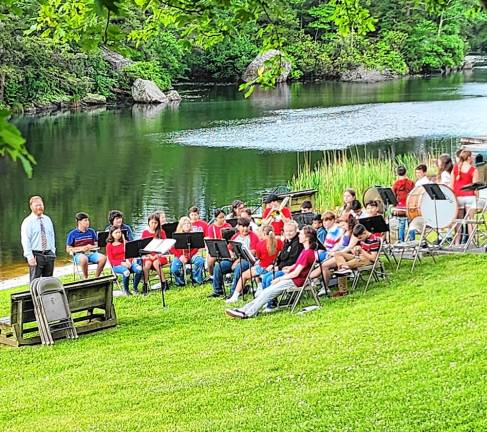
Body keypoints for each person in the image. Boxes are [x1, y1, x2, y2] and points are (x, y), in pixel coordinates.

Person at [224, 225, 317, 319]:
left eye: (301, 234)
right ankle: (243, 309)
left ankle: (248, 313)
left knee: (267, 293)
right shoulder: (305, 251)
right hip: (292, 278)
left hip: (295, 281)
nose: (299, 235)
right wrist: (290, 267)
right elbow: (298, 265)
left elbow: (296, 273)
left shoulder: (308, 253)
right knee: (265, 292)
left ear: (307, 237)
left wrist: (279, 279)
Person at [226, 225, 283, 303]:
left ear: (263, 233)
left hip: (263, 267)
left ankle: (235, 296)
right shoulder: (279, 242)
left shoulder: (260, 244)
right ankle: (259, 286)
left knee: (244, 275)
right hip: (274, 266)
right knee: (255, 267)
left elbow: (258, 257)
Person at [209, 218, 259, 298]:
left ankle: (234, 292)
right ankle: (217, 290)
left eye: (247, 226)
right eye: (243, 226)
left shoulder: (253, 236)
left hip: (247, 260)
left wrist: (238, 260)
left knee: (239, 268)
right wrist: (231, 253)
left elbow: (253, 252)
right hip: (234, 259)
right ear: (238, 227)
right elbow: (229, 247)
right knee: (219, 266)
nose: (245, 229)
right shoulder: (236, 236)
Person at [20, 195, 56, 282]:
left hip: (49, 254)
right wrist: (29, 257)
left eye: (41, 205)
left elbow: (52, 236)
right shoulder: (28, 222)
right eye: (37, 205)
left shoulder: (47, 219)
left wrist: (53, 251)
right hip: (36, 255)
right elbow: (25, 240)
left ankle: (46, 296)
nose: (39, 207)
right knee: (35, 281)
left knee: (48, 281)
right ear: (31, 207)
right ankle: (34, 296)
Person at [261, 220, 303, 290]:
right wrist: (274, 265)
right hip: (281, 267)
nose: (288, 233)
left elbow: (293, 261)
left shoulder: (298, 243)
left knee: (269, 280)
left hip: (289, 270)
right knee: (264, 278)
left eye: (291, 231)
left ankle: (271, 300)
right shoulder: (286, 241)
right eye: (286, 231)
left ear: (296, 230)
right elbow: (280, 256)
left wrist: (279, 267)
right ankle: (266, 299)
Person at [66, 212, 106, 279]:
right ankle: (86, 278)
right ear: (79, 222)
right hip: (78, 255)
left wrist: (91, 247)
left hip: (91, 253)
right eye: (85, 220)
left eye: (88, 220)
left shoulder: (91, 231)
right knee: (84, 259)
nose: (88, 222)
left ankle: (96, 277)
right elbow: (68, 249)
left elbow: (96, 244)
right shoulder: (72, 234)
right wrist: (82, 248)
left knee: (103, 258)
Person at [451, 150, 479, 243]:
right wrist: (477, 199)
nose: (473, 158)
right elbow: (476, 188)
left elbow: (451, 185)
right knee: (471, 220)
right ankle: (472, 242)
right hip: (470, 196)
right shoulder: (473, 169)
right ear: (469, 158)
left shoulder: (455, 168)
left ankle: (457, 242)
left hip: (458, 196)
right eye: (472, 156)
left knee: (458, 221)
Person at [105, 226, 142, 295]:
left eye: (119, 232)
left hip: (128, 262)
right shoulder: (109, 245)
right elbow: (111, 261)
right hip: (117, 265)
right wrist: (122, 263)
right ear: (111, 234)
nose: (118, 234)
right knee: (126, 272)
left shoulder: (125, 242)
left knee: (139, 269)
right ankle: (126, 290)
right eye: (116, 233)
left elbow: (130, 254)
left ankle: (135, 288)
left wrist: (129, 261)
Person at [170, 216, 205, 286]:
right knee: (174, 269)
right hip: (180, 256)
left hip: (191, 255)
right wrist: (180, 256)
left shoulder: (194, 234)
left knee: (200, 261)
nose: (186, 225)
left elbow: (196, 247)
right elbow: (171, 249)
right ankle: (180, 281)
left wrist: (189, 255)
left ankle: (196, 278)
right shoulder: (176, 235)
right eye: (184, 224)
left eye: (188, 223)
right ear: (181, 225)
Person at [141, 213, 168, 295]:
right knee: (147, 264)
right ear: (148, 222)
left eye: (155, 223)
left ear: (158, 223)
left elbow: (165, 246)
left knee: (156, 263)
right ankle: (145, 284)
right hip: (148, 255)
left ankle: (164, 282)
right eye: (152, 222)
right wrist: (149, 255)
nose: (153, 225)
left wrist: (157, 255)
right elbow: (143, 247)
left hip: (159, 255)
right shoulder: (145, 233)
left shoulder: (161, 232)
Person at [392, 166, 415, 242]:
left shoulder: (395, 184)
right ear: (406, 172)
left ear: (397, 173)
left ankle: (401, 241)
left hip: (400, 208)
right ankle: (412, 241)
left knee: (401, 225)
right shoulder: (411, 183)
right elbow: (414, 194)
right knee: (411, 225)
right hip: (409, 206)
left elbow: (393, 196)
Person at [206, 209, 232, 276]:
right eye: (220, 217)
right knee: (210, 260)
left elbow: (231, 239)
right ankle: (212, 275)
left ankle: (227, 274)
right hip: (216, 249)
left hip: (226, 248)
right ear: (216, 218)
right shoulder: (211, 228)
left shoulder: (228, 226)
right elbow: (211, 242)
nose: (223, 219)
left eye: (223, 217)